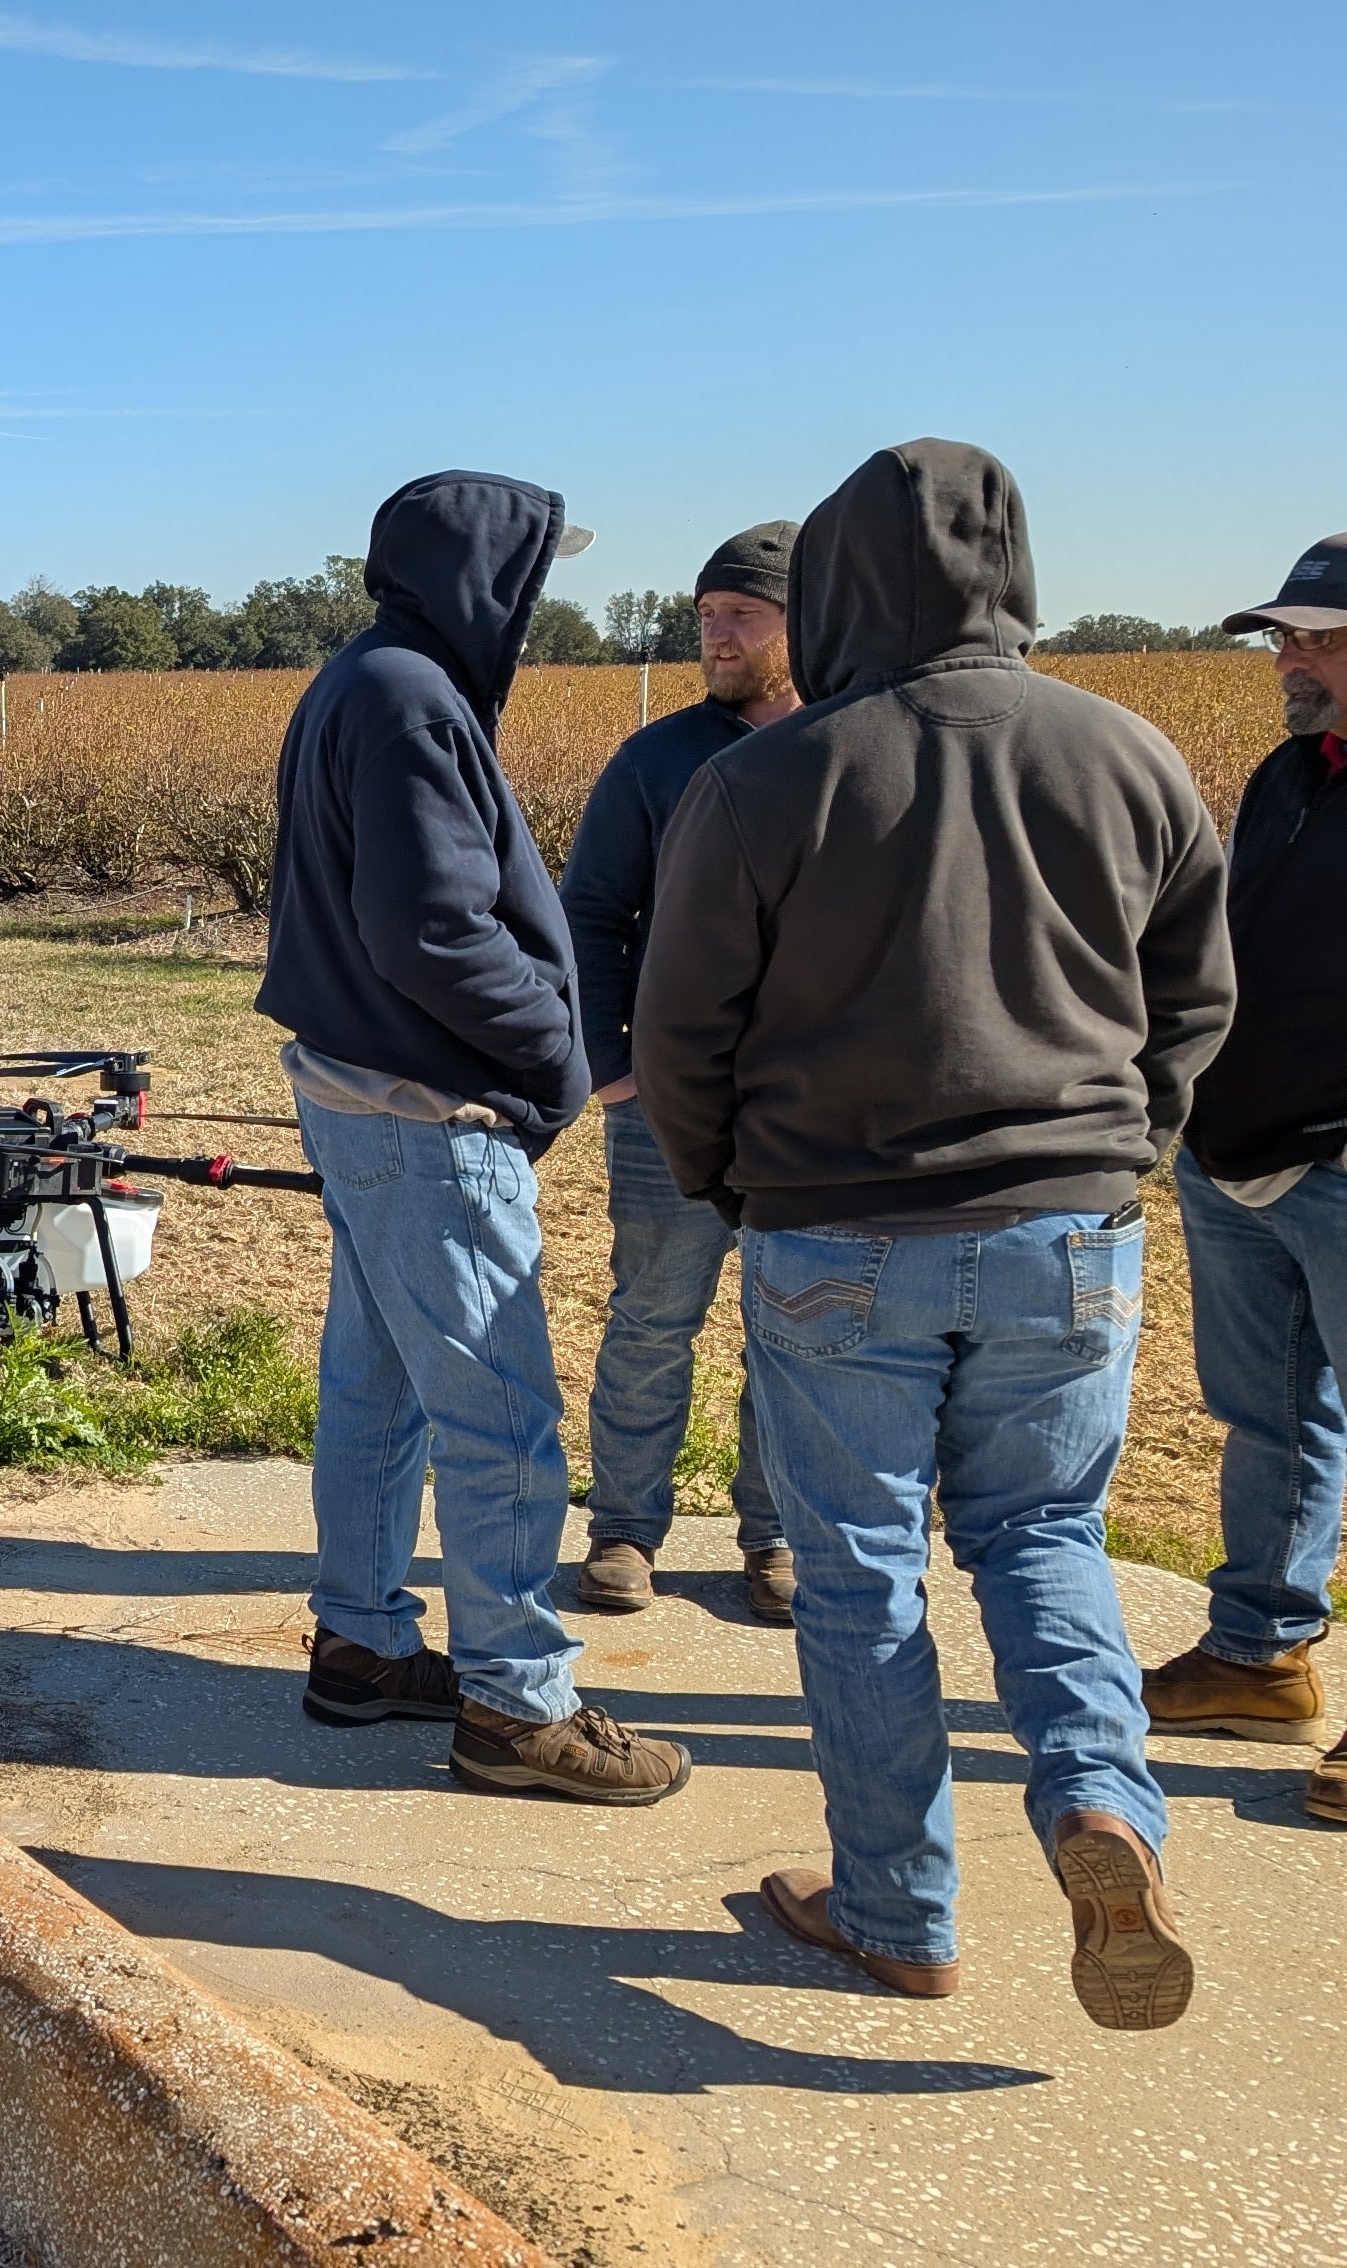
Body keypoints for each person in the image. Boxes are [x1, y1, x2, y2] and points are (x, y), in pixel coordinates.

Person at [638, 439, 1229, 2024]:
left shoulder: (766, 777)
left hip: (840, 1233)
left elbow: (681, 1026)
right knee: (1046, 1537)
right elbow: (1194, 999)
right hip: (1073, 1230)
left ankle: (899, 1909)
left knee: (861, 1574)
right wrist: (1124, 1152)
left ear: (833, 586)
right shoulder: (1131, 754)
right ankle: (1102, 1808)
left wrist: (731, 1186)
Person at [259, 469, 692, 1806]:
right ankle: (519, 1705)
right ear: (485, 577)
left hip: (362, 1092)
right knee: (498, 1419)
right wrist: (562, 1061)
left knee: (379, 1389)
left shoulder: (371, 676)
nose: (541, 601)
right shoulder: (406, 698)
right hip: (426, 1112)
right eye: (537, 572)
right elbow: (432, 931)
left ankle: (363, 1643)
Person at [556, 522, 803, 1623]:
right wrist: (613, 1070)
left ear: (805, 622)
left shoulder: (850, 746)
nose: (717, 634)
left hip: (810, 1107)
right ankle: (624, 1532)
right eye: (706, 615)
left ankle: (778, 1539)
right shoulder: (655, 759)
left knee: (796, 1326)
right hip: (668, 1104)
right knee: (654, 1316)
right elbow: (591, 915)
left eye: (741, 614)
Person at [1140, 535, 1347, 1819]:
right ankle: (1261, 1652)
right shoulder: (1287, 776)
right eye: (1285, 638)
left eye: (1321, 638)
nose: (1292, 660)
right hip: (1241, 1156)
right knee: (1270, 1413)